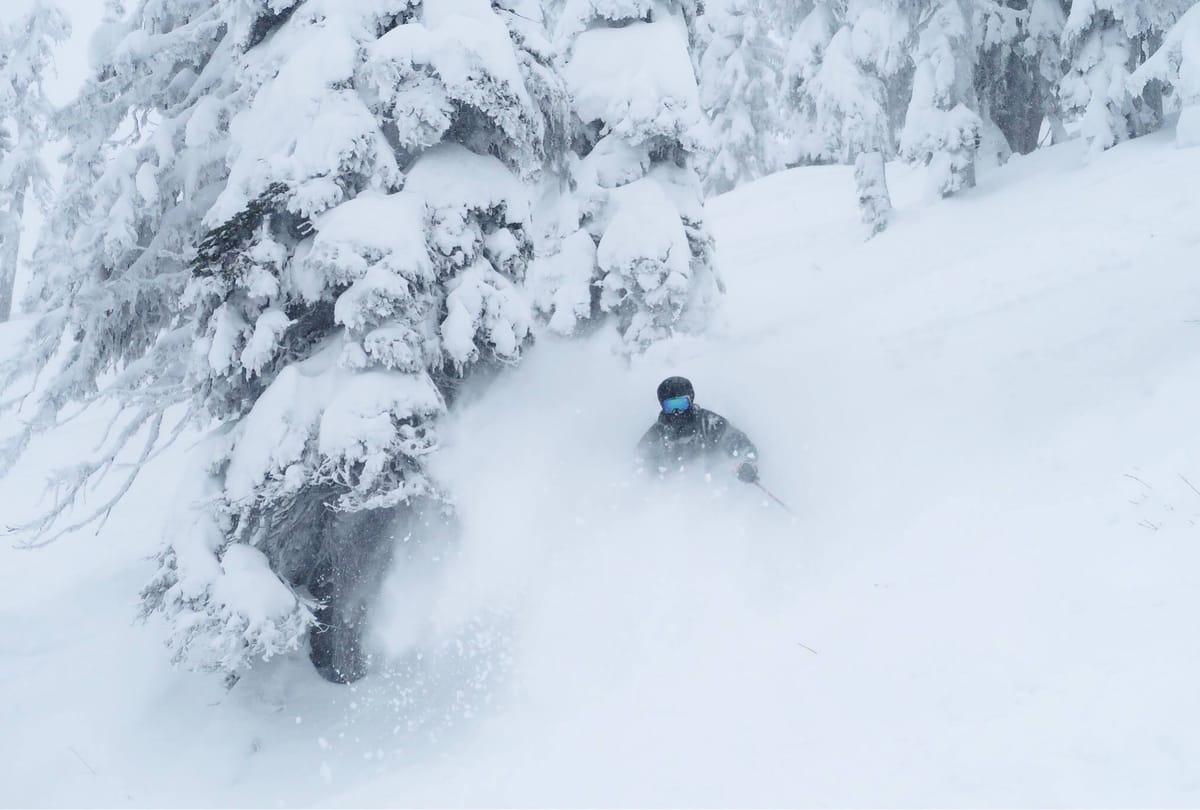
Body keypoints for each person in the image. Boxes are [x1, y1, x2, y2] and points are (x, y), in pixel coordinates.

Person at [636, 376, 759, 483]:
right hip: (674, 497)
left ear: (691, 400)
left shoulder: (709, 424)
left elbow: (738, 443)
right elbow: (640, 462)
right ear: (662, 406)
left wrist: (746, 464)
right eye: (671, 406)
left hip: (712, 486)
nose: (677, 412)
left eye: (681, 404)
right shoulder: (658, 435)